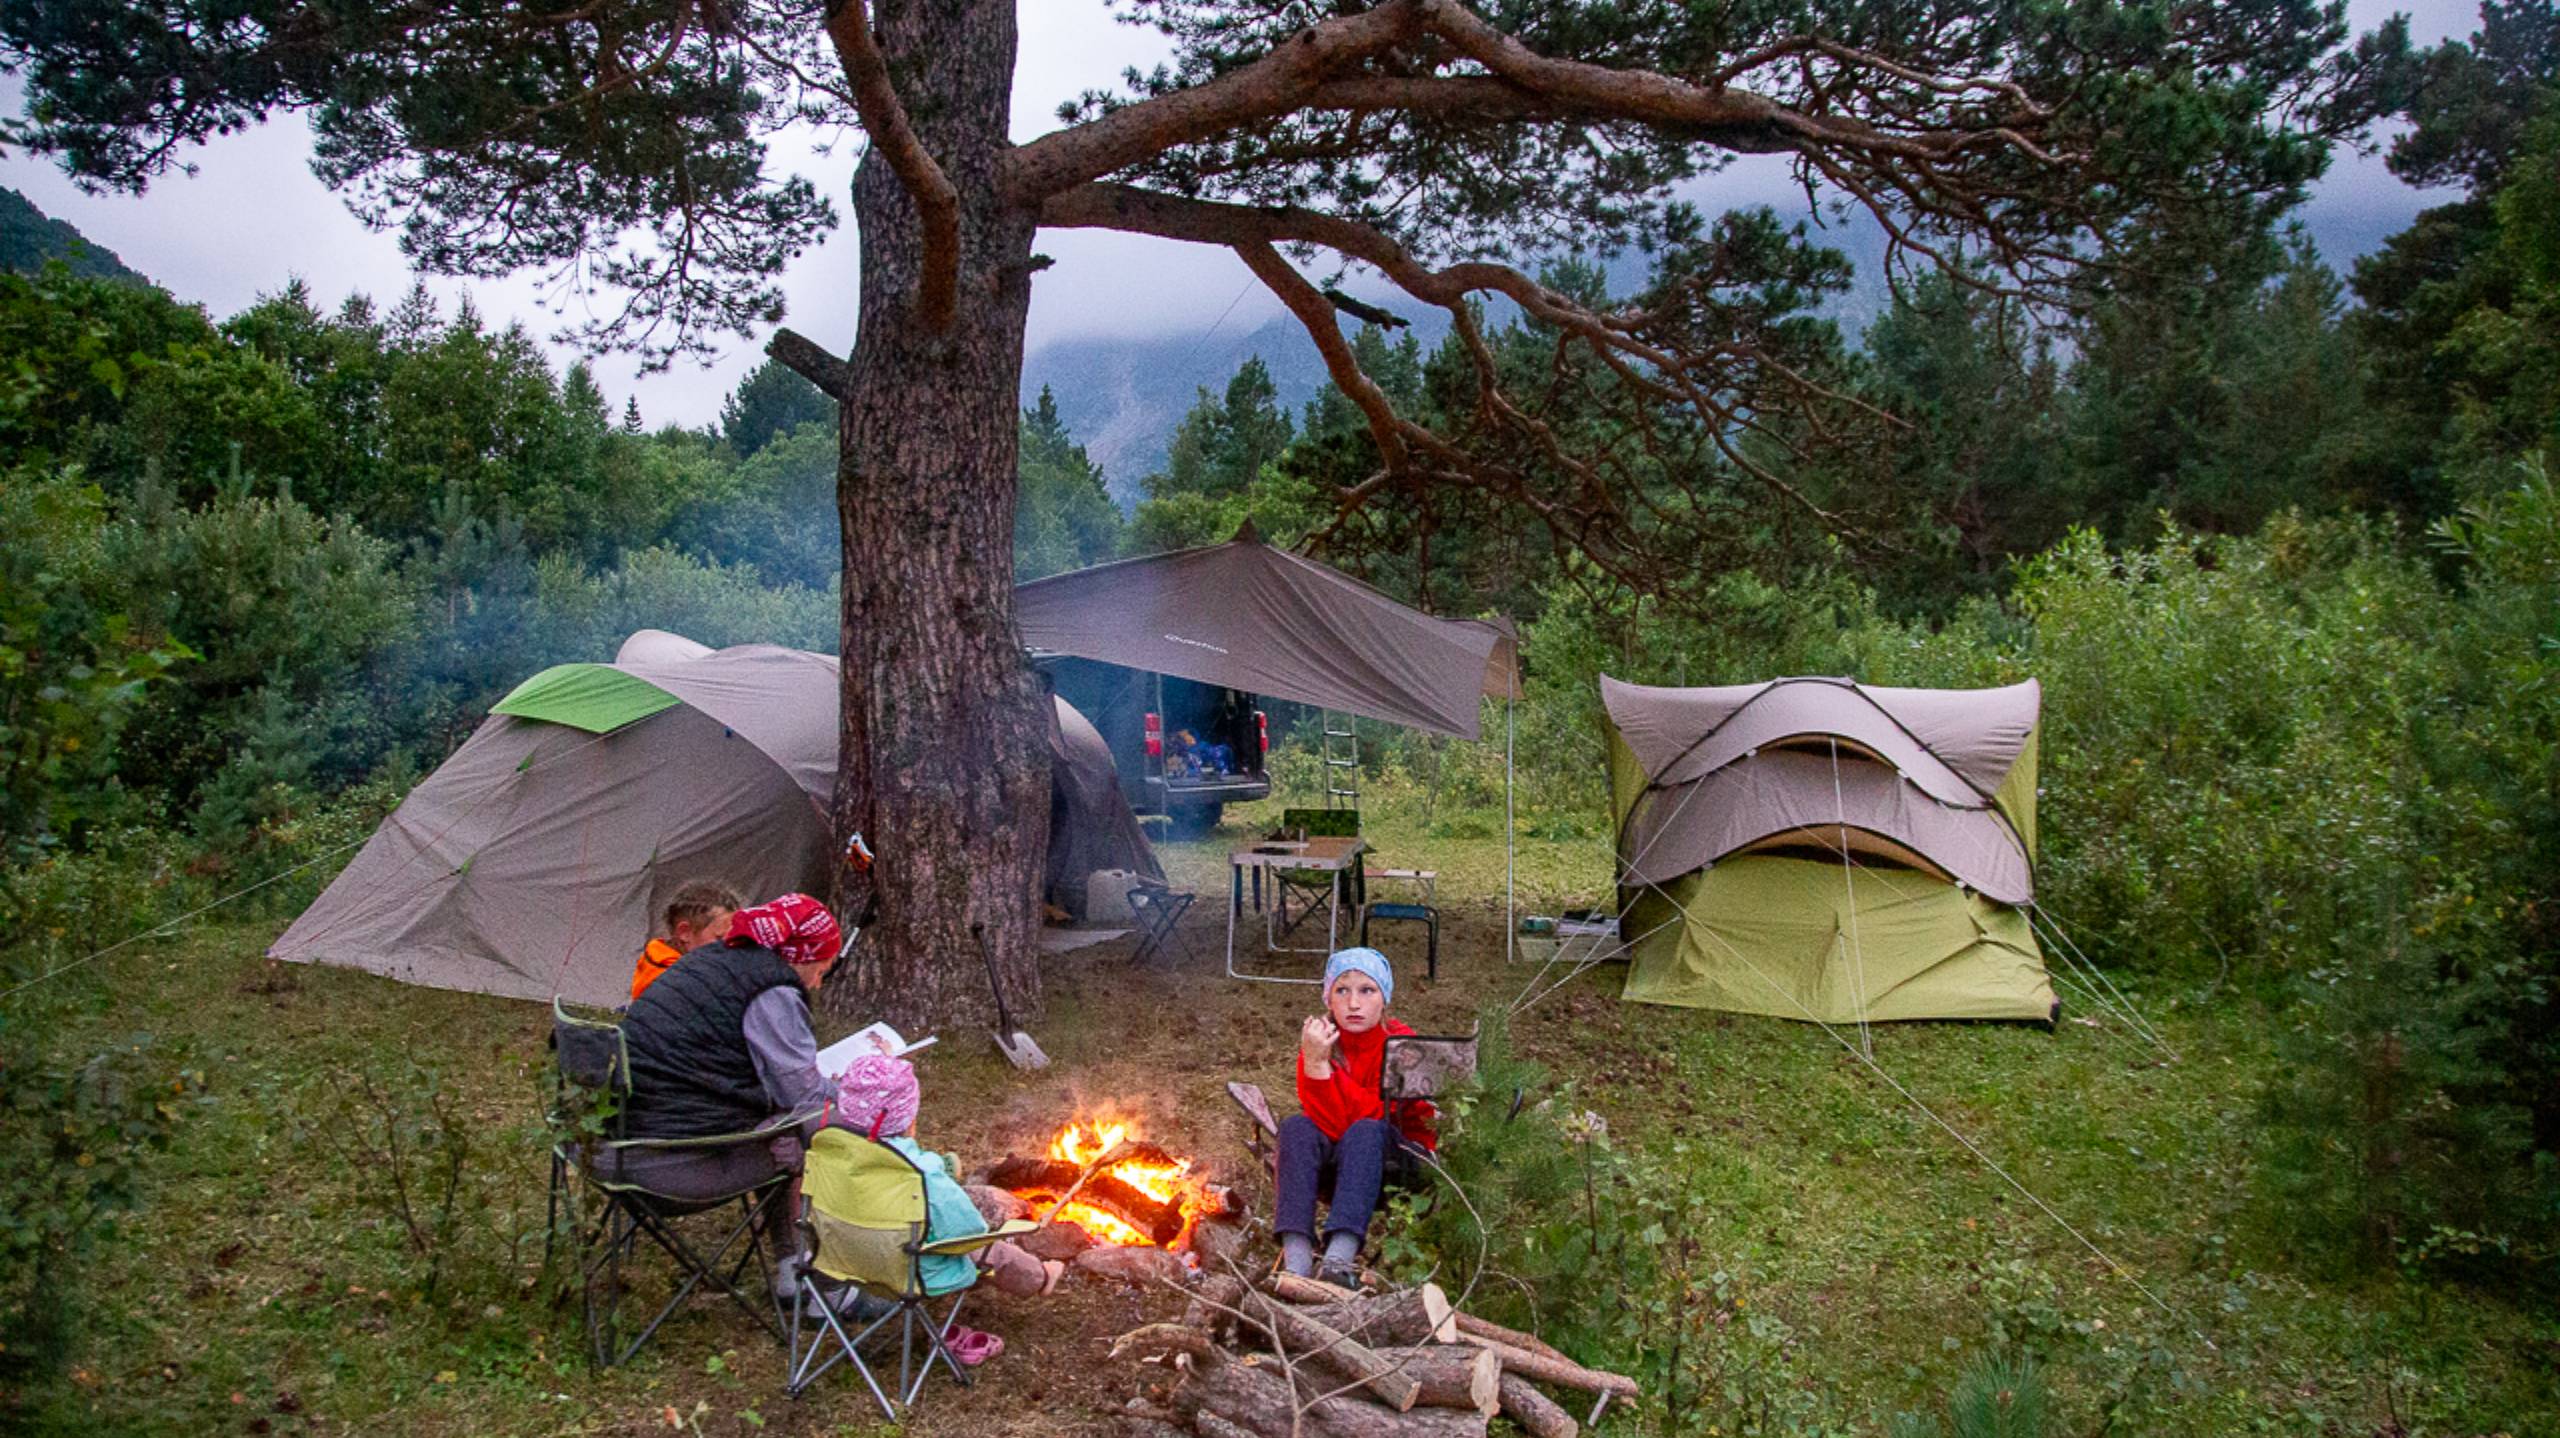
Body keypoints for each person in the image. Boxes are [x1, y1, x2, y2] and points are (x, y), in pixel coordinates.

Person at [609, 892, 843, 1281]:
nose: (817, 984)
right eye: (821, 968)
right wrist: (859, 1094)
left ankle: (792, 1268)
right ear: (799, 956)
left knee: (779, 1120)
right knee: (812, 1131)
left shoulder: (710, 961)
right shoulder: (771, 989)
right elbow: (803, 1096)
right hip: (667, 1163)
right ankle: (817, 1284)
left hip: (613, 1146)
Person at [827, 1054, 1064, 1363]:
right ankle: (1040, 1277)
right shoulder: (919, 1174)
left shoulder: (826, 1156)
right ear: (909, 1118)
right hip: (906, 1269)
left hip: (840, 1258)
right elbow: (968, 1232)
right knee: (987, 1249)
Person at [1274, 947, 1437, 1287]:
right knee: (1297, 1127)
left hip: (1400, 1160)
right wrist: (1316, 1064)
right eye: (1342, 990)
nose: (1353, 1003)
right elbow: (1326, 1124)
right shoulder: (1319, 1043)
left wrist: (1325, 1072)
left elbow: (1379, 1116)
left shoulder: (1402, 1045)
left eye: (1367, 990)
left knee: (1365, 1130)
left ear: (1384, 998)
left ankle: (1338, 1260)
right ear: (1328, 1000)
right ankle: (1297, 1263)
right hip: (1342, 1165)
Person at [628, 881, 743, 1002]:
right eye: (719, 938)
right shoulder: (669, 982)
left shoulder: (663, 962)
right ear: (685, 933)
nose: (730, 948)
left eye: (734, 939)